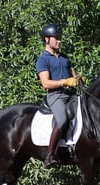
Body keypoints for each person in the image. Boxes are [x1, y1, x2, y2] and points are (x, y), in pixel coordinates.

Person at [36, 23, 78, 168]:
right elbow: (46, 83)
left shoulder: (65, 57)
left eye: (60, 38)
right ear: (47, 39)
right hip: (56, 96)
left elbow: (73, 75)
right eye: (56, 38)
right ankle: (50, 155)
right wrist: (65, 81)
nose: (59, 41)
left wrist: (78, 79)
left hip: (72, 94)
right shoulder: (43, 60)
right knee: (62, 119)